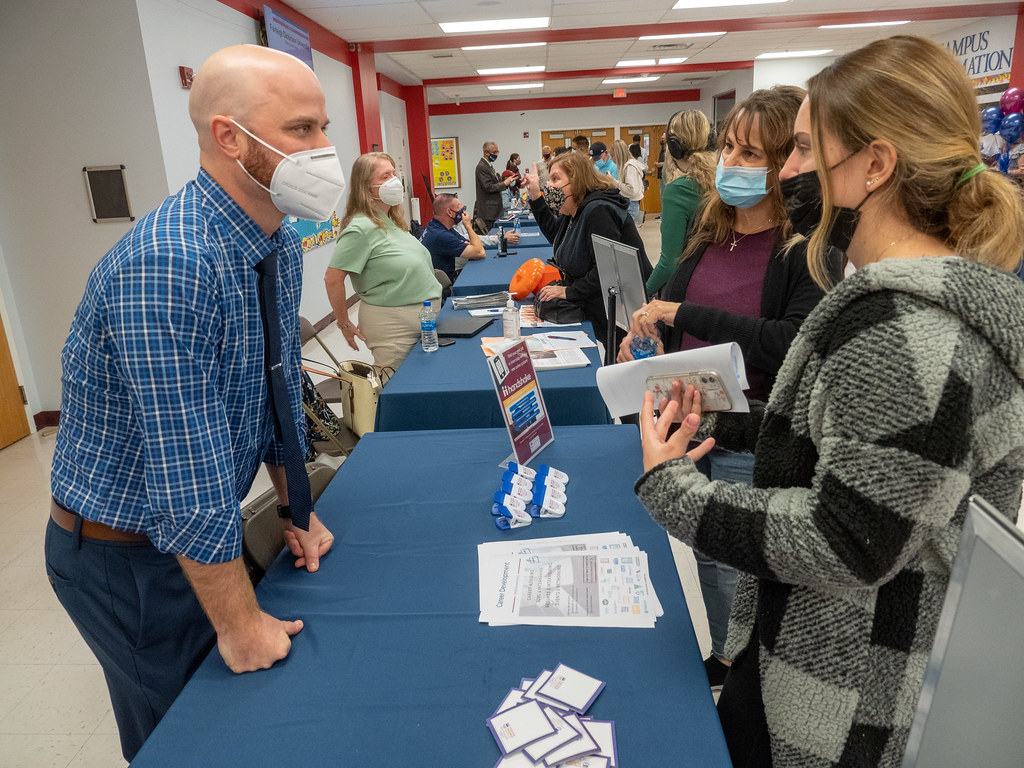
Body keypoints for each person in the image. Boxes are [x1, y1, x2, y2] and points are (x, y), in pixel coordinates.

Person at [634, 35, 1024, 768]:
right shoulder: (897, 305)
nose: (787, 172)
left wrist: (672, 489)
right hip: (816, 660)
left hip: (834, 694)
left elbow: (845, 541)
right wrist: (720, 421)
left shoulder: (904, 330)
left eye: (806, 150)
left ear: (876, 165)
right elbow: (845, 449)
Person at [45, 44, 338, 762]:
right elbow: (186, 476)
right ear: (230, 137)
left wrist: (297, 508)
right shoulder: (170, 263)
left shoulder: (275, 243)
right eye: (301, 129)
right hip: (126, 559)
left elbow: (274, 389)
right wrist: (238, 626)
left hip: (192, 534)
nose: (324, 150)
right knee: (192, 741)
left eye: (323, 127)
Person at [620, 86, 837, 692]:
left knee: (742, 562)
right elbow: (677, 317)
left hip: (753, 429)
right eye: (729, 149)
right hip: (692, 418)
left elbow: (789, 341)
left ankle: (746, 667)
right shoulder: (712, 229)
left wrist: (682, 312)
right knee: (704, 548)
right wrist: (648, 338)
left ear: (787, 164)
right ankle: (723, 653)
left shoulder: (806, 248)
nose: (732, 164)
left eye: (751, 153)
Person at [325, 152, 442, 371]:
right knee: (396, 384)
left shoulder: (390, 221)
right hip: (394, 327)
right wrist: (344, 323)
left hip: (422, 321)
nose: (394, 181)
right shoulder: (360, 228)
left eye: (394, 174)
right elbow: (332, 279)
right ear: (365, 187)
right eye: (385, 176)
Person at [522, 151, 650, 346]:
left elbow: (607, 270)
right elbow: (558, 238)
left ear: (576, 181)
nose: (549, 186)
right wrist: (535, 196)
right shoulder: (574, 210)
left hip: (623, 316)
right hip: (599, 308)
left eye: (555, 179)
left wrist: (569, 292)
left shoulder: (598, 210)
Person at [644, 109, 716, 296]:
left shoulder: (678, 190)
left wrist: (643, 293)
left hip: (691, 289)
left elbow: (669, 263)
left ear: (674, 146)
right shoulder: (722, 182)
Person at [419, 192, 485, 283]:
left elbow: (472, 245)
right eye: (459, 208)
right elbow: (480, 252)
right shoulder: (441, 235)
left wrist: (473, 247)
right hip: (443, 287)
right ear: (450, 212)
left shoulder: (436, 226)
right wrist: (468, 226)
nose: (463, 211)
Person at [472, 140, 517, 234]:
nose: (496, 154)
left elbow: (495, 181)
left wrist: (507, 181)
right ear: (486, 152)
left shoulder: (488, 166)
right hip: (488, 212)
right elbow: (488, 187)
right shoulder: (482, 167)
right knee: (490, 236)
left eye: (497, 152)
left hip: (493, 210)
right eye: (494, 152)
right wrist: (504, 184)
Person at [615, 140, 647, 227]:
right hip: (630, 203)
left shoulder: (630, 167)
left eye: (613, 156)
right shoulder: (627, 165)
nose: (611, 159)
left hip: (631, 204)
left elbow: (631, 190)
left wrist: (615, 183)